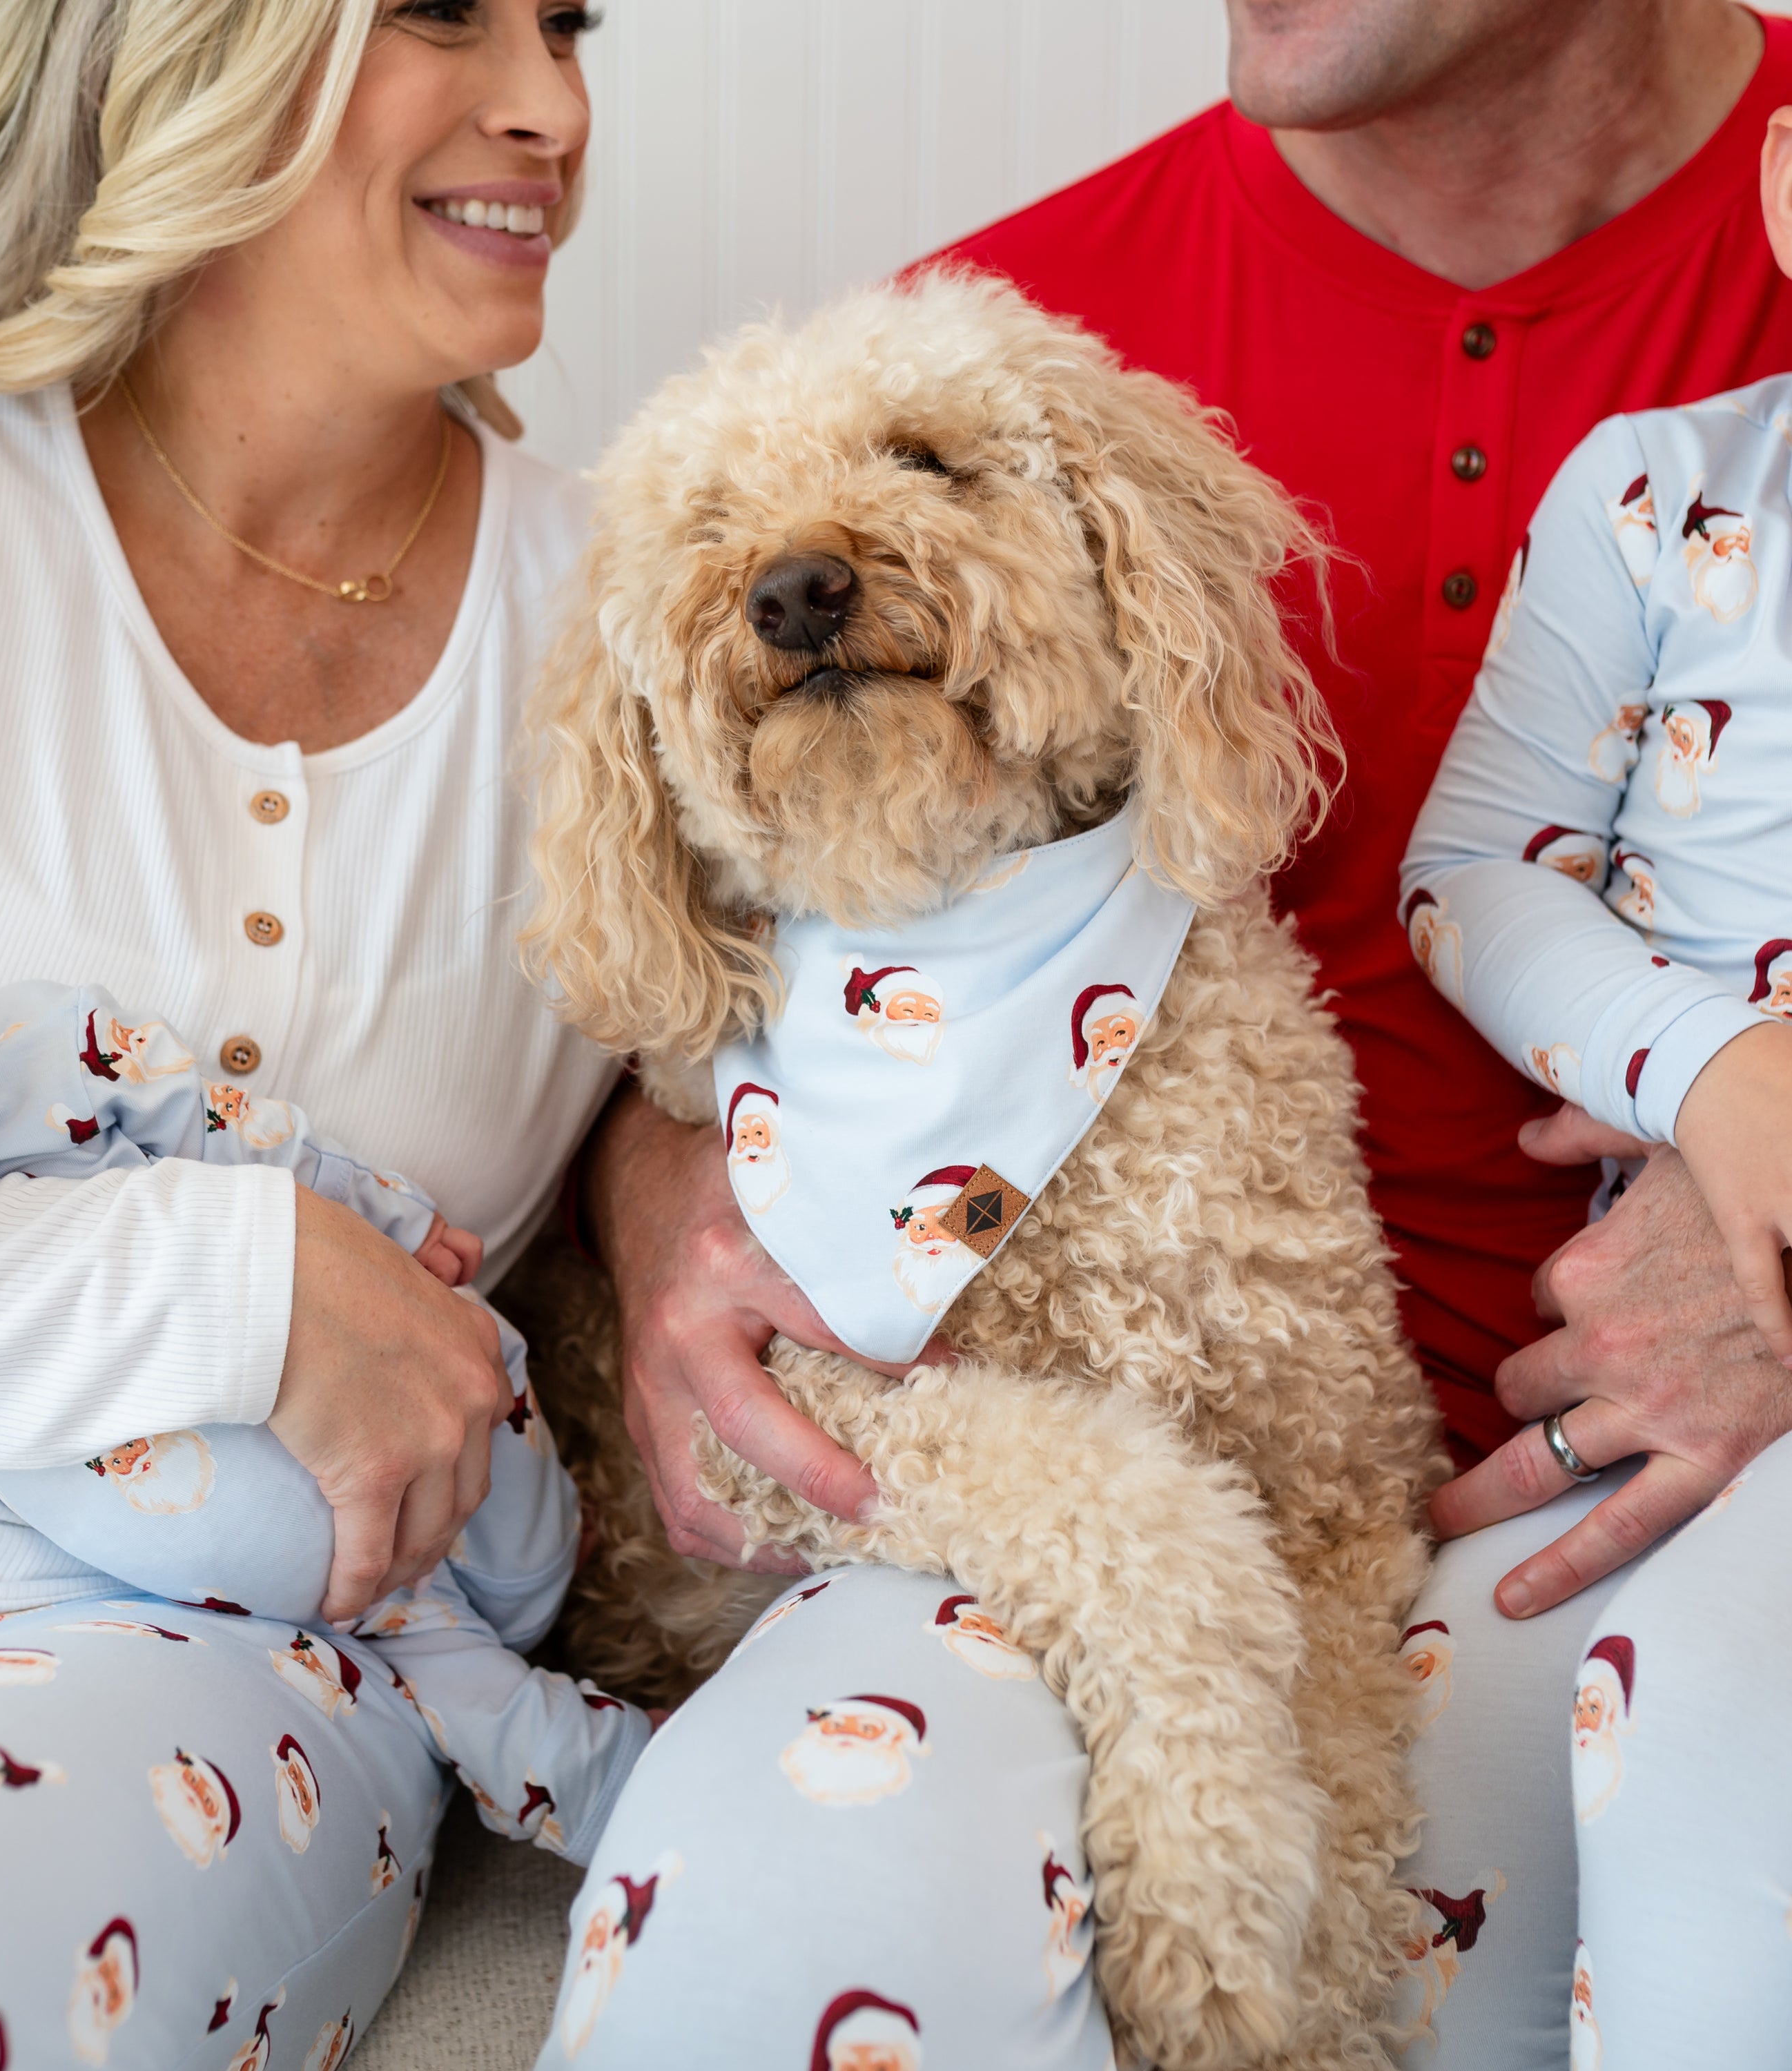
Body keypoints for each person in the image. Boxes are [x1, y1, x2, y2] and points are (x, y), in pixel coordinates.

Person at [570, 2, 1792, 2065]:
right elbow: (730, 949)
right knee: (779, 1932)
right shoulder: (1000, 330)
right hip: (1039, 1486)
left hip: (1638, 1524)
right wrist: (668, 1200)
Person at [0, 1, 612, 2059]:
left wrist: (669, 1208)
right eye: (440, 13)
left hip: (209, 1671)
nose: (551, 105)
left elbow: (786, 1089)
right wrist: (242, 1286)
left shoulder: (644, 619)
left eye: (575, 26)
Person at [0, 895, 653, 1869]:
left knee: (426, 1646)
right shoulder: (45, 1036)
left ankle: (608, 1778)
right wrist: (398, 1218)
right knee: (463, 1345)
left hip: (215, 1527)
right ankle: (543, 1557)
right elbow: (238, 1130)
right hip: (446, 1429)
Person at [1390, 99, 1792, 2060]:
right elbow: (1470, 876)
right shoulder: (1659, 500)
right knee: (1413, 1767)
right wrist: (1719, 1073)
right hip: (1644, 1397)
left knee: (1709, 1733)